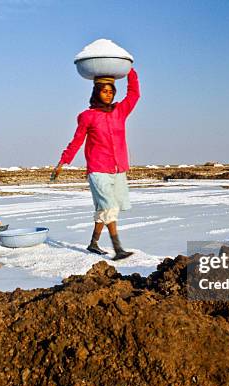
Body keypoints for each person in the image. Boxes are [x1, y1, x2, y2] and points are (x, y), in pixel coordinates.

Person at [52, 68, 140, 260]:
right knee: (109, 207)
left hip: (118, 168)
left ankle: (93, 243)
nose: (108, 95)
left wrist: (130, 70)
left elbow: (134, 94)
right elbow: (77, 141)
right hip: (98, 168)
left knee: (104, 207)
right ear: (96, 92)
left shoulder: (120, 112)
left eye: (111, 92)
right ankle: (118, 248)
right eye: (104, 91)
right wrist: (63, 161)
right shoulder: (87, 116)